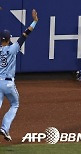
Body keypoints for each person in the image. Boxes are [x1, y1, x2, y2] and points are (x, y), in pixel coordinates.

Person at [0, 9, 38, 141]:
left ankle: (5, 128)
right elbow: (25, 34)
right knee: (14, 104)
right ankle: (5, 127)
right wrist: (34, 21)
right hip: (9, 84)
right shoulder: (14, 48)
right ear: (9, 38)